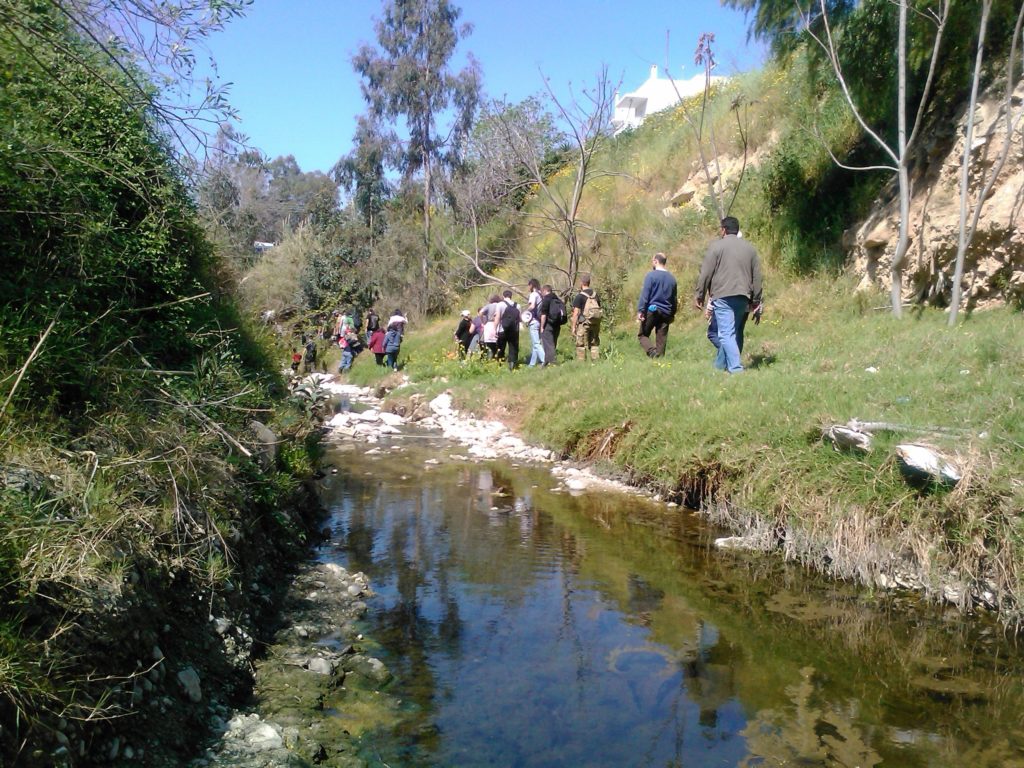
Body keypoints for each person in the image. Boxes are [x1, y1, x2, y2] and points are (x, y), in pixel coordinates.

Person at [694, 216, 763, 373]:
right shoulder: (750, 249)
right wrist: (756, 299)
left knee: (725, 335)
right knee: (732, 332)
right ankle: (719, 367)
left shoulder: (716, 247)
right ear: (737, 230)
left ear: (723, 229)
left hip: (723, 296)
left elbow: (706, 273)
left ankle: (736, 369)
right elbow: (757, 277)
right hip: (743, 297)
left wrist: (700, 294)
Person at [637, 252, 678, 359]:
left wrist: (641, 310)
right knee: (661, 339)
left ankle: (652, 352)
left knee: (642, 335)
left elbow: (645, 295)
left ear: (656, 261)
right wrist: (672, 314)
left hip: (652, 310)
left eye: (652, 261)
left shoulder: (651, 276)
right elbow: (674, 299)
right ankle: (659, 359)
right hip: (666, 313)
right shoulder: (672, 279)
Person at [571, 273, 602, 361]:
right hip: (595, 322)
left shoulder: (580, 296)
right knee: (594, 343)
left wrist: (573, 327)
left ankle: (581, 362)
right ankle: (595, 361)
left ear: (582, 283)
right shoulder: (595, 295)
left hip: (583, 323)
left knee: (580, 344)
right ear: (589, 282)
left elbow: (576, 313)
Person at [538, 284, 565, 366]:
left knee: (548, 344)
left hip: (548, 324)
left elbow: (544, 314)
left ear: (545, 291)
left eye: (542, 292)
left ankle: (553, 362)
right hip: (557, 324)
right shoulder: (558, 300)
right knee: (553, 343)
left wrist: (542, 327)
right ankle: (546, 363)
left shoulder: (546, 299)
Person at [497, 289, 521, 370]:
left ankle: (500, 364)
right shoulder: (517, 305)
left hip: (502, 329)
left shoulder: (500, 304)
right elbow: (519, 319)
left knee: (501, 347)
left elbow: (497, 318)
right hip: (514, 330)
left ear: (503, 296)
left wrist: (494, 329)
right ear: (511, 296)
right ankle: (512, 365)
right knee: (513, 348)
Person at [482, 295, 501, 359]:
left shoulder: (489, 306)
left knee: (488, 343)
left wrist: (483, 322)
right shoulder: (500, 305)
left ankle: (489, 357)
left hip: (489, 323)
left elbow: (481, 312)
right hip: (498, 323)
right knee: (497, 342)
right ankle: (497, 357)